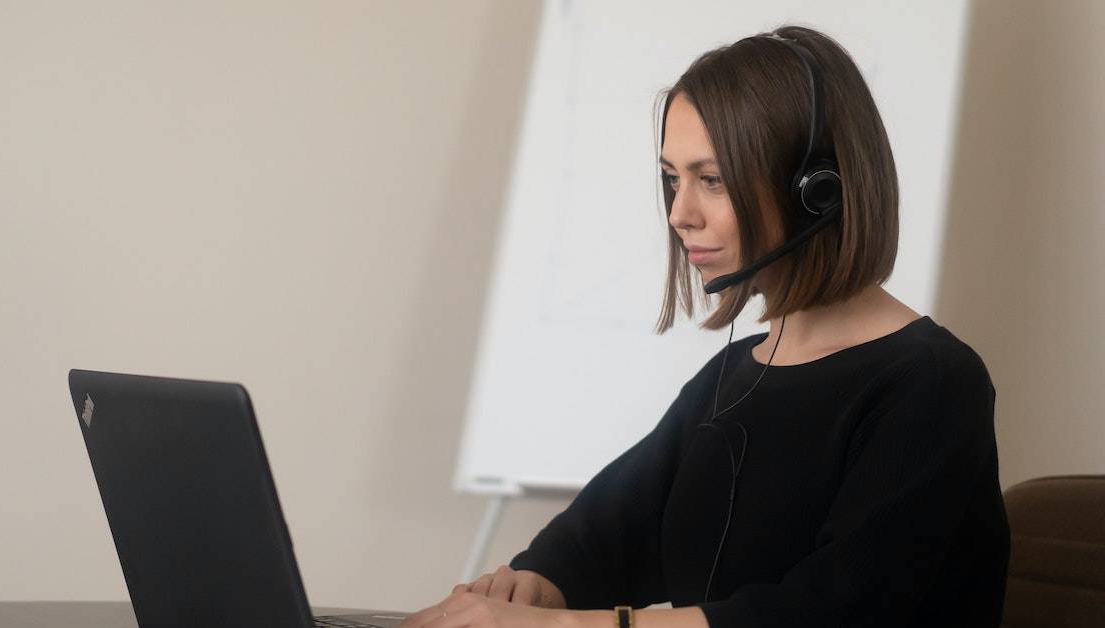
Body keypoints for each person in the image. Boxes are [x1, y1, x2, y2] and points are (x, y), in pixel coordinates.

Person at [399, 24, 1009, 628]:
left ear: (816, 192)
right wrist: (530, 591)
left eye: (710, 180)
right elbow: (601, 538)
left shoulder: (931, 383)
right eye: (672, 179)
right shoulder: (732, 378)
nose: (679, 213)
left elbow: (832, 611)